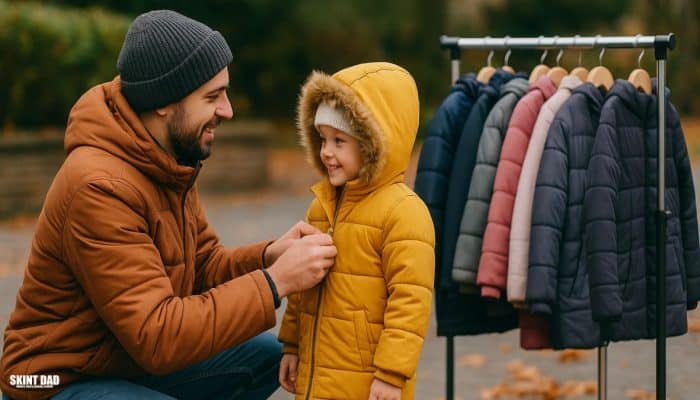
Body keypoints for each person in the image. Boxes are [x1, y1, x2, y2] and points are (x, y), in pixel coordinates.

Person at [0, 10, 337, 400]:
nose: (227, 110)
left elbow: (203, 268)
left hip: (124, 360)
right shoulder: (98, 187)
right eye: (212, 96)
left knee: (265, 355)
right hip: (50, 378)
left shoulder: (166, 157)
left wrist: (269, 256)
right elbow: (158, 336)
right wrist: (277, 281)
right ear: (163, 102)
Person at [277, 62, 435, 400]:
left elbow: (410, 301)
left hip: (370, 383)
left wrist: (392, 373)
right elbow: (300, 286)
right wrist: (292, 343)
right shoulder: (322, 205)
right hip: (317, 374)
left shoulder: (403, 213)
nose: (326, 153)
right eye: (322, 139)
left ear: (375, 142)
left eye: (339, 141)